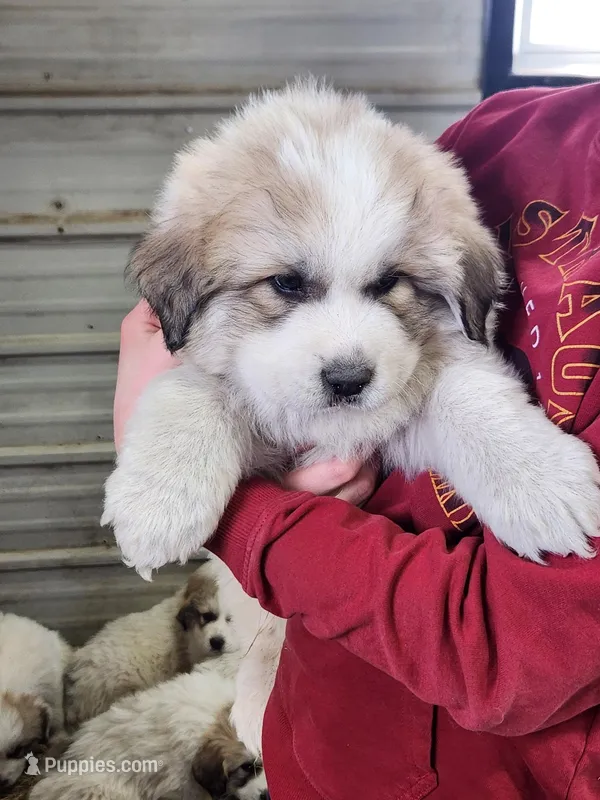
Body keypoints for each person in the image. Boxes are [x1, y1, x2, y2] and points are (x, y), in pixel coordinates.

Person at [112, 83, 600, 799]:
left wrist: (506, 450)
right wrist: (168, 442)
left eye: (387, 284)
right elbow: (186, 369)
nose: (348, 354)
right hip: (327, 726)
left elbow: (449, 368)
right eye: (285, 283)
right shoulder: (506, 129)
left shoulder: (440, 272)